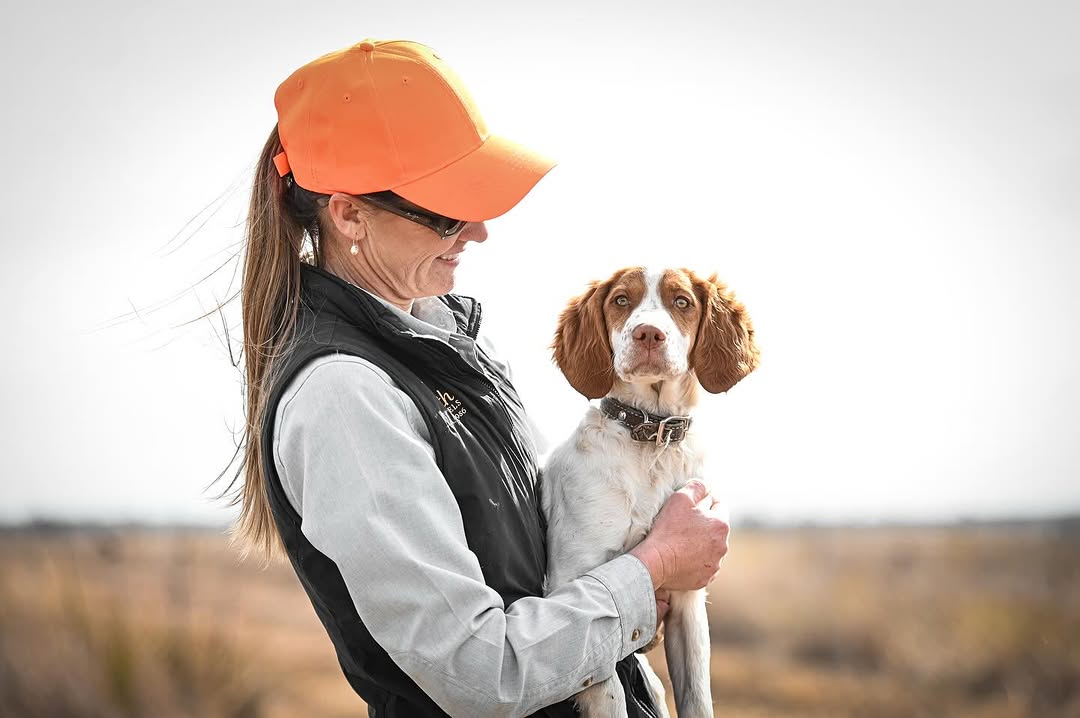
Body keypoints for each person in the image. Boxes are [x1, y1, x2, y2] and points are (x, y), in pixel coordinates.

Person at [229, 38, 730, 717]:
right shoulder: (344, 398)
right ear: (348, 215)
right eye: (446, 208)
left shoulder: (453, 344)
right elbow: (478, 673)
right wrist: (654, 568)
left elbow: (548, 569)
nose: (478, 231)